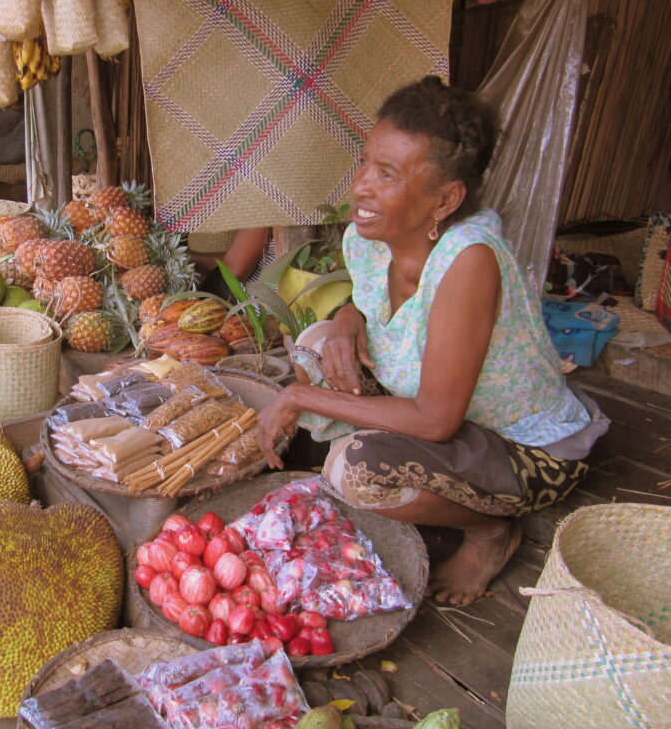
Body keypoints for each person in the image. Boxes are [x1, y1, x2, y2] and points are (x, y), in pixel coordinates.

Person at [256, 76, 608, 607]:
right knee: (317, 342)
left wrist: (297, 396)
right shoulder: (372, 241)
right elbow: (383, 311)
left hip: (523, 447)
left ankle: (491, 531)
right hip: (452, 421)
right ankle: (395, 488)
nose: (361, 186)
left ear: (445, 199)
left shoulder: (469, 261)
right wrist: (349, 321)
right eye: (366, 163)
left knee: (360, 472)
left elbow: (437, 421)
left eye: (388, 175)